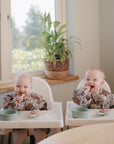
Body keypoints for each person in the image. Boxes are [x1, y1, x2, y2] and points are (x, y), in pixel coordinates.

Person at [3, 73, 49, 144]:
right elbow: (7, 109)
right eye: (18, 86)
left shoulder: (35, 97)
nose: (21, 89)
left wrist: (33, 106)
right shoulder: (10, 98)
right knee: (18, 137)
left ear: (30, 88)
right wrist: (16, 103)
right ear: (14, 86)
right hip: (19, 126)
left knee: (41, 135)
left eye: (25, 87)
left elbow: (42, 106)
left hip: (37, 124)